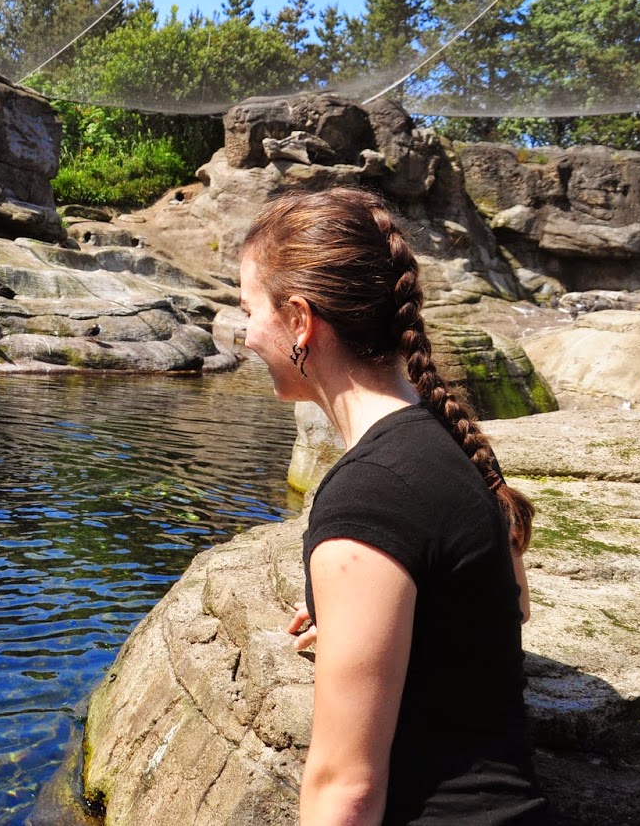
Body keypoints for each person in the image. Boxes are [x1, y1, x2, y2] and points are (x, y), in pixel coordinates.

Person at [239, 187, 547, 826]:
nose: (245, 337)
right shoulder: (445, 437)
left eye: (249, 311)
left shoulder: (368, 496)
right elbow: (508, 604)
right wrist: (376, 622)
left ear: (299, 320)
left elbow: (345, 790)